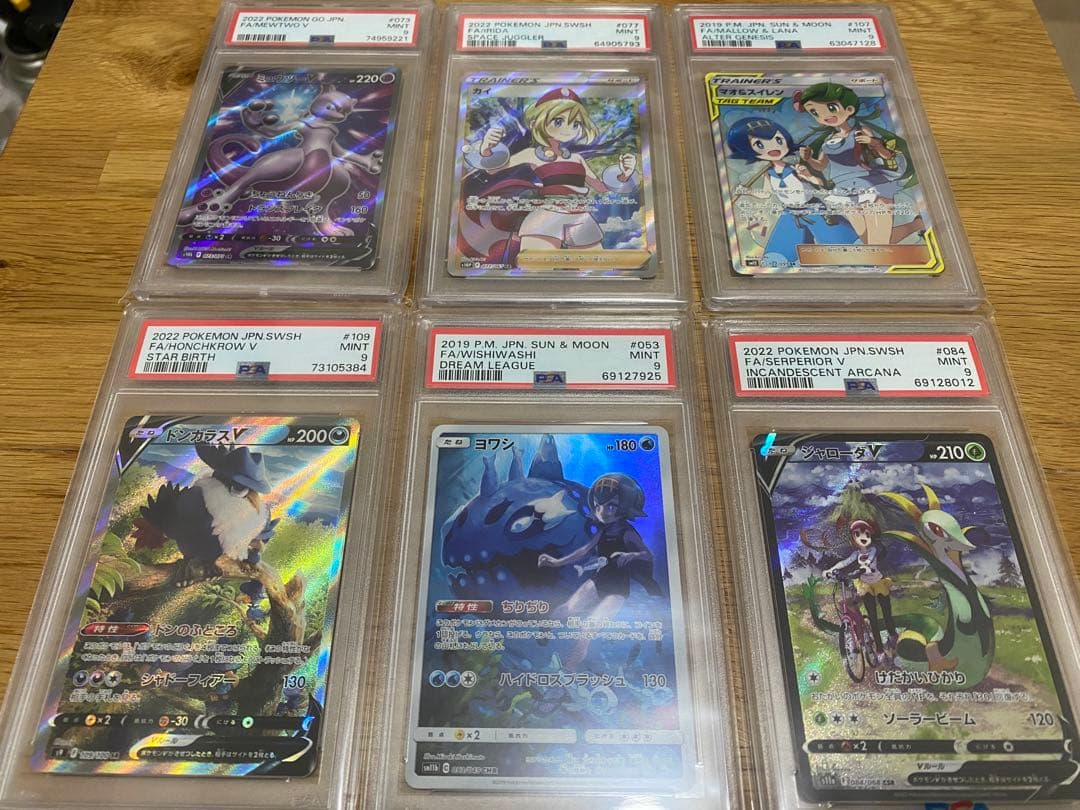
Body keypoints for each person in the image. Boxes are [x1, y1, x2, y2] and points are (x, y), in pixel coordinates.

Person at [824, 518, 898, 655]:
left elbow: (870, 559)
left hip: (879, 582)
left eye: (866, 534)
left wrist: (864, 567)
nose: (862, 537)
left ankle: (893, 637)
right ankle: (880, 649)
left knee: (887, 613)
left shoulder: (873, 549)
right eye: (858, 534)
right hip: (866, 585)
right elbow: (845, 562)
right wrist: (831, 570)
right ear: (853, 538)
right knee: (872, 617)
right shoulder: (856, 554)